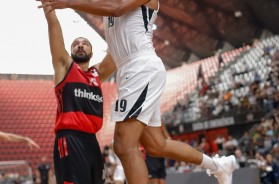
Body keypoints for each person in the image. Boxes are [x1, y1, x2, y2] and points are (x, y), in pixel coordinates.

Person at [38, 1, 236, 184]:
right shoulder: (108, 14)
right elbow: (113, 47)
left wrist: (68, 3)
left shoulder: (118, 6)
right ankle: (219, 166)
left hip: (141, 66)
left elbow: (116, 8)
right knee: (156, 145)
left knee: (124, 145)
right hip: (129, 71)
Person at [40, 2, 116, 184]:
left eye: (85, 44)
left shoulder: (97, 74)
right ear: (71, 50)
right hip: (70, 138)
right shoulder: (64, 66)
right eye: (76, 44)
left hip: (92, 141)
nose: (80, 46)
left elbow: (118, 51)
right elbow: (54, 30)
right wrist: (49, 9)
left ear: (92, 51)